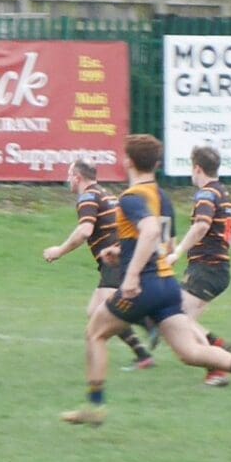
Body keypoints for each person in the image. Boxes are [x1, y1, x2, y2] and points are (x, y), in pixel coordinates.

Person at [64, 134, 231, 425]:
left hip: (143, 287)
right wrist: (121, 252)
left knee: (95, 333)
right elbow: (164, 244)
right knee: (190, 352)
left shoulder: (131, 197)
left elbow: (150, 231)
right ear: (156, 164)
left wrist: (131, 274)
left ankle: (95, 407)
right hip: (167, 286)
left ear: (128, 161)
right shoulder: (162, 197)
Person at [41, 158, 155, 371]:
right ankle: (143, 354)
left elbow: (85, 231)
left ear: (78, 178)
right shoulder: (106, 195)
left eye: (69, 175)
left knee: (109, 309)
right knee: (96, 312)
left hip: (114, 258)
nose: (67, 179)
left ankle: (148, 321)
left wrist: (59, 251)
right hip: (119, 257)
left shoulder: (87, 197)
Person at [166, 145, 231, 387]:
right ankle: (216, 346)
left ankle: (217, 367)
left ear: (197, 168)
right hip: (216, 268)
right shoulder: (224, 194)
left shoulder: (206, 194)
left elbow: (201, 226)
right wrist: (221, 255)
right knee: (181, 316)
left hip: (206, 269)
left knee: (177, 317)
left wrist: (177, 252)